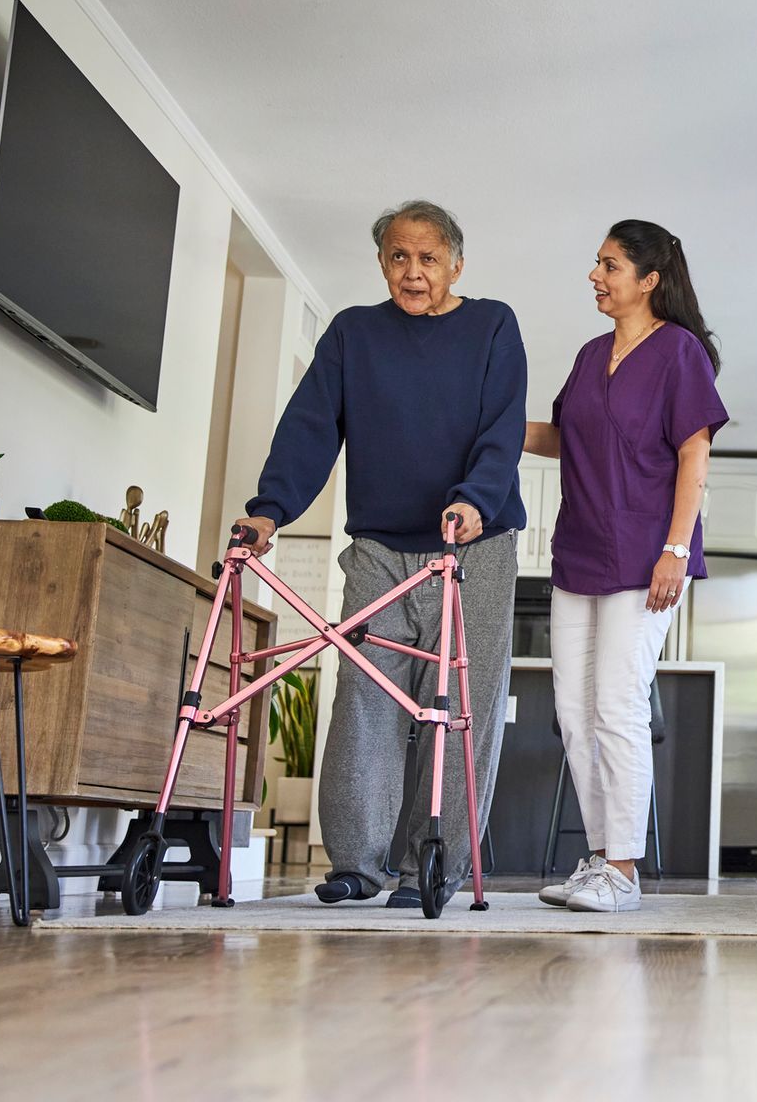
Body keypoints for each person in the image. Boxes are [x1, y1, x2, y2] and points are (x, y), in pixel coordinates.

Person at [236, 199, 526, 908]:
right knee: (366, 698)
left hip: (476, 545)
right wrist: (269, 510)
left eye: (428, 258)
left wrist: (473, 498)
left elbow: (503, 426)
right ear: (381, 263)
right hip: (379, 548)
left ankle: (439, 863)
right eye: (399, 256)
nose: (413, 271)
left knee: (462, 708)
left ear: (456, 263)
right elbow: (309, 427)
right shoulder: (352, 334)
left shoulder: (492, 325)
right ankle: (359, 864)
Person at [527, 219, 727, 913]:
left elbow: (694, 452)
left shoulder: (679, 353)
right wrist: (495, 425)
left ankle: (622, 868)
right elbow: (566, 439)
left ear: (648, 280)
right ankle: (599, 861)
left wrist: (677, 548)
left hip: (645, 553)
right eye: (597, 262)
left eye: (609, 265)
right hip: (578, 548)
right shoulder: (589, 356)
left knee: (616, 705)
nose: (595, 275)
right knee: (574, 713)